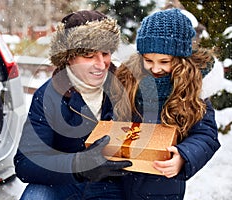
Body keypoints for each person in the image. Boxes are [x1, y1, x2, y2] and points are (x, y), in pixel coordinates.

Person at [14, 10, 132, 200]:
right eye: (89, 56)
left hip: (112, 184)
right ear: (69, 57)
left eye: (105, 53)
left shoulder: (126, 87)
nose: (101, 65)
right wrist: (79, 166)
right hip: (65, 181)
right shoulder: (48, 96)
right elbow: (26, 163)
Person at [111, 8, 221, 199]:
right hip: (120, 177)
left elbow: (206, 134)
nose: (155, 68)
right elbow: (112, 116)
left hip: (162, 185)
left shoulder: (193, 90)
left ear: (180, 59)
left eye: (164, 61)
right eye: (148, 60)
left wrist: (184, 156)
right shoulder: (128, 80)